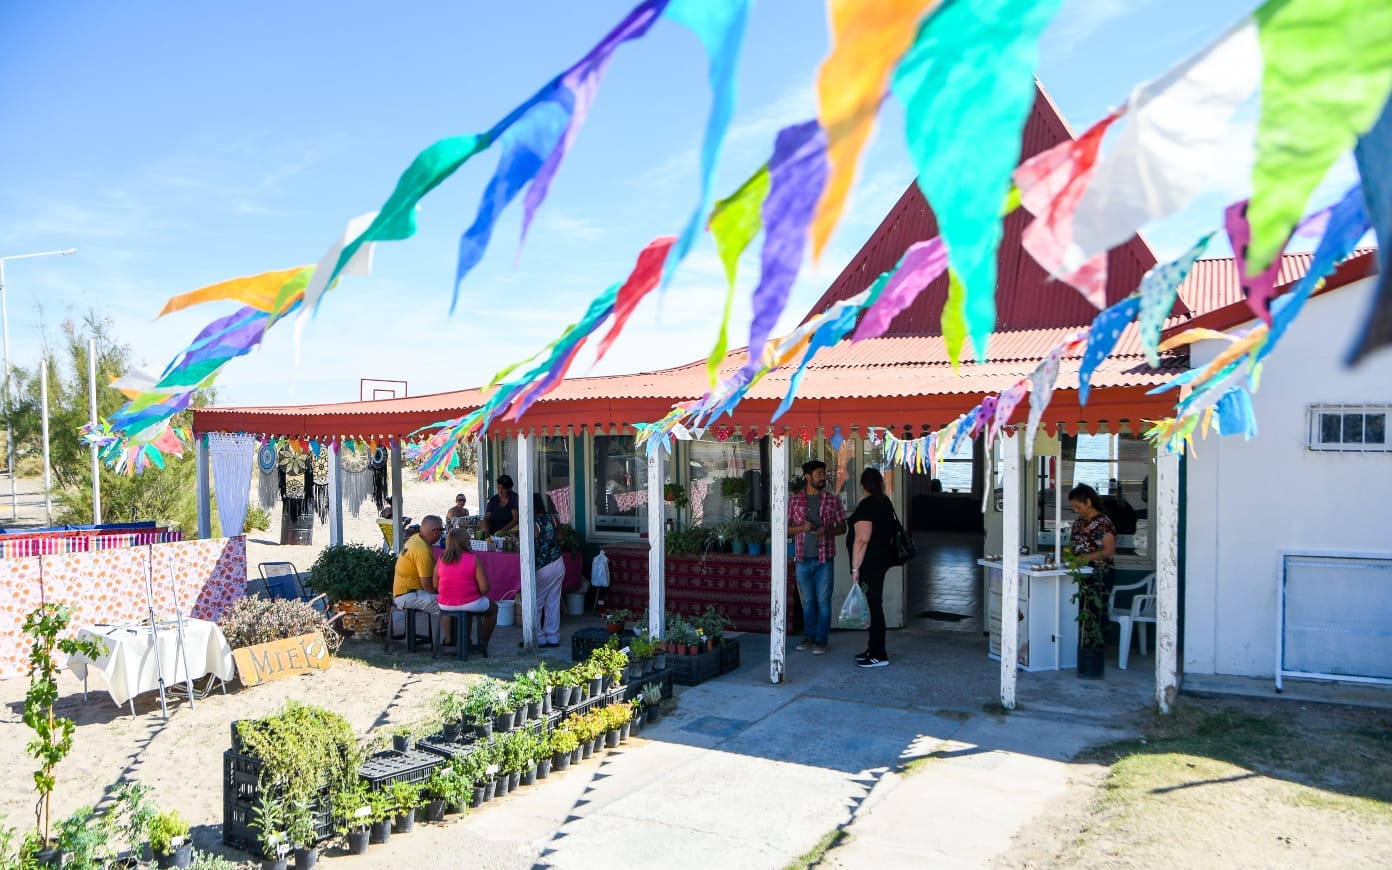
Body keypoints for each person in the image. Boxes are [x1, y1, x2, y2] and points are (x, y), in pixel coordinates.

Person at [788, 460, 846, 655]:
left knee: (823, 602)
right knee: (808, 602)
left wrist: (826, 531)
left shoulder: (832, 500)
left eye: (824, 473)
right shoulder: (794, 501)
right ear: (807, 476)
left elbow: (843, 527)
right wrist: (802, 528)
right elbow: (785, 529)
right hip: (802, 558)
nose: (823, 477)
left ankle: (822, 640)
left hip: (824, 559)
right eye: (819, 474)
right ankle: (809, 637)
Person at [847, 467, 896, 669]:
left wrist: (855, 568)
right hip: (881, 561)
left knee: (874, 607)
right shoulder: (885, 503)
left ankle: (879, 653)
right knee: (873, 605)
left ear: (863, 485)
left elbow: (862, 539)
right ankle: (872, 648)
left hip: (869, 564)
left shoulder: (868, 506)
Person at [434, 526, 498, 656]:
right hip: (469, 601)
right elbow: (484, 588)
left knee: (466, 609)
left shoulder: (441, 559)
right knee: (493, 609)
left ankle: (454, 640)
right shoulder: (473, 559)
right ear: (465, 542)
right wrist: (474, 592)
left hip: (445, 604)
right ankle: (483, 644)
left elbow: (435, 584)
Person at [393, 515, 445, 638]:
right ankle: (450, 641)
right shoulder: (422, 550)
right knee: (448, 606)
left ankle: (451, 640)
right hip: (408, 595)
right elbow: (427, 586)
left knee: (448, 601)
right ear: (435, 532)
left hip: (404, 592)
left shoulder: (415, 538)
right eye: (441, 531)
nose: (441, 534)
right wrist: (442, 592)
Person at [530, 492, 567, 649]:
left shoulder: (534, 523)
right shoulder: (551, 517)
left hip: (543, 565)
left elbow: (530, 544)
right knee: (553, 601)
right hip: (558, 561)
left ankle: (538, 637)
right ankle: (553, 636)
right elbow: (560, 536)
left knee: (537, 602)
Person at [1068, 483, 1117, 589]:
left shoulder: (1103, 523)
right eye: (1074, 507)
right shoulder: (1078, 522)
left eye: (1078, 507)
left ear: (1088, 502)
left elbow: (1109, 550)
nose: (1076, 510)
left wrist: (1086, 558)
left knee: (1093, 604)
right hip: (1079, 572)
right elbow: (1073, 543)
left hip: (1099, 574)